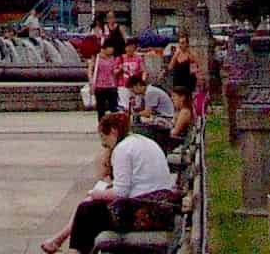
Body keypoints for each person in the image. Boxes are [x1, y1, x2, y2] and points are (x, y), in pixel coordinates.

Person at [41, 112, 179, 254]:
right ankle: (68, 246)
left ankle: (74, 250)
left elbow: (121, 192)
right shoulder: (141, 141)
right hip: (160, 205)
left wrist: (96, 194)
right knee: (89, 208)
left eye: (103, 137)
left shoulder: (122, 149)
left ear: (113, 131)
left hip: (145, 211)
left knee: (87, 211)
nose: (104, 143)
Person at [121, 70, 176, 137]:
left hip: (166, 118)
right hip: (158, 116)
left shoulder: (150, 92)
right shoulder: (143, 94)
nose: (133, 93)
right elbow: (140, 109)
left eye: (132, 90)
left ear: (138, 85)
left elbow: (147, 113)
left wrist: (134, 114)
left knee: (138, 121)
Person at [88, 35, 124, 119]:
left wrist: (120, 69)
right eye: (110, 48)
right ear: (105, 48)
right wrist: (91, 81)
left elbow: (115, 71)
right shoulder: (96, 57)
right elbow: (90, 70)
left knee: (114, 108)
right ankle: (102, 125)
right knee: (101, 109)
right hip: (99, 86)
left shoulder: (114, 58)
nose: (112, 50)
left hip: (111, 86)